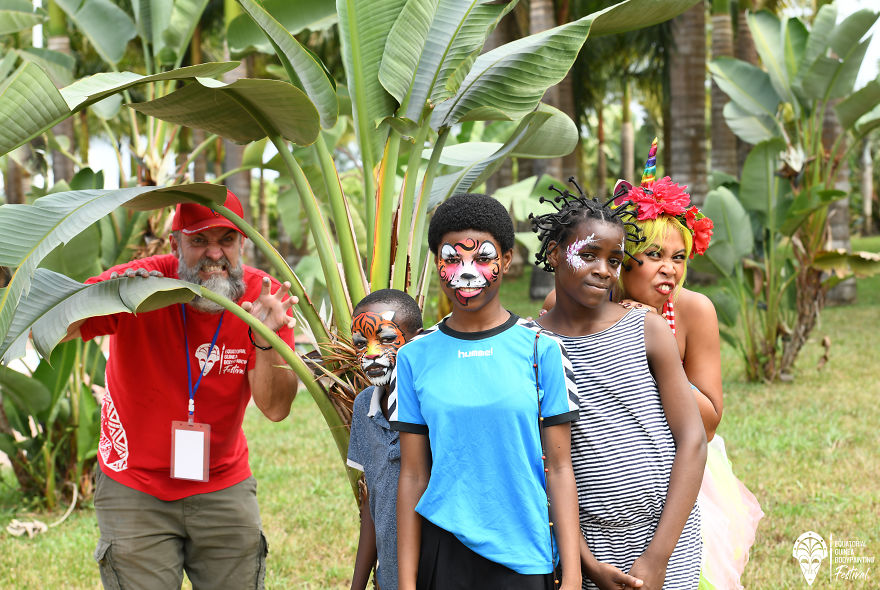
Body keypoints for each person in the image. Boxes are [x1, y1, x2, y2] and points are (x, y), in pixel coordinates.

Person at [63, 190, 299, 590]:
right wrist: (111, 298)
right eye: (198, 241)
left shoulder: (264, 298)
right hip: (133, 484)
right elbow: (55, 325)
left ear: (242, 242)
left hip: (223, 481)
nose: (214, 254)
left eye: (226, 239)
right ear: (175, 245)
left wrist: (265, 337)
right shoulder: (138, 283)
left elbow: (275, 408)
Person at [392, 193, 582, 590]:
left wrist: (574, 578)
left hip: (525, 556)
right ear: (436, 264)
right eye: (451, 259)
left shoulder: (540, 349)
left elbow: (561, 468)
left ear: (507, 260)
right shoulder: (414, 357)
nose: (466, 272)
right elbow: (412, 474)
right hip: (444, 553)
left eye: (482, 258)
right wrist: (407, 583)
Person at [530, 182, 707, 590]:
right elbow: (543, 463)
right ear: (555, 254)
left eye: (614, 260)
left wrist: (659, 556)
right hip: (587, 540)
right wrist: (584, 563)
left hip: (664, 532)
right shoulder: (532, 345)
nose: (603, 269)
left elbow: (693, 440)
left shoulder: (645, 328)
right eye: (588, 255)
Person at [614, 140, 763, 590]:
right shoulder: (582, 307)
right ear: (621, 258)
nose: (669, 270)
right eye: (655, 255)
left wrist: (654, 355)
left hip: (684, 459)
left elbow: (711, 420)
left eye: (678, 257)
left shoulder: (694, 311)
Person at [347, 289, 423, 590]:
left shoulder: (438, 405)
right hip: (390, 578)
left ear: (416, 339)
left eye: (387, 339)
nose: (371, 353)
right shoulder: (364, 405)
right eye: (360, 343)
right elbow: (372, 505)